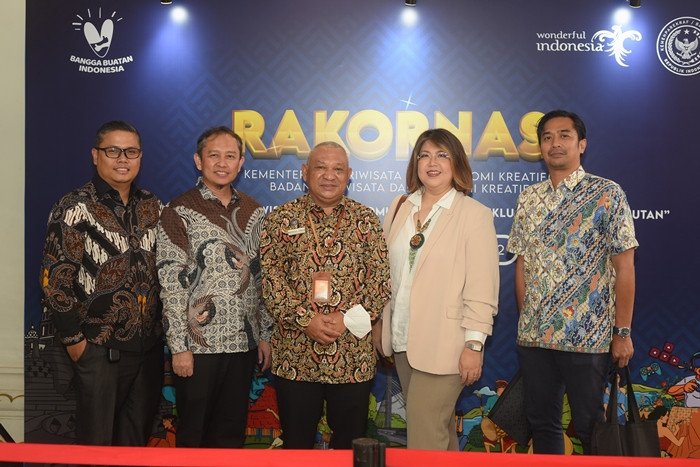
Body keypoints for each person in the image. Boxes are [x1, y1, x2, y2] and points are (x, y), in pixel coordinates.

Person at [507, 109, 638, 454]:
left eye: (564, 135)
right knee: (542, 423)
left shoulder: (607, 193)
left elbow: (625, 267)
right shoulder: (529, 197)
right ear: (540, 147)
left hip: (588, 339)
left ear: (582, 144)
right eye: (547, 137)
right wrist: (527, 319)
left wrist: (622, 332)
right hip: (535, 339)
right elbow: (522, 264)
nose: (555, 143)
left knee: (591, 427)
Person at [260, 141, 391, 449]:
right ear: (305, 172)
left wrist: (346, 319)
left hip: (352, 356)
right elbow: (271, 279)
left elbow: (380, 281)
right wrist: (306, 319)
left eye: (338, 169)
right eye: (320, 167)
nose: (329, 176)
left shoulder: (366, 220)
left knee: (350, 446)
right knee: (296, 445)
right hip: (296, 355)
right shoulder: (282, 218)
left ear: (349, 175)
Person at [40, 120, 163, 445]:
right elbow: (54, 281)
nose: (123, 159)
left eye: (131, 151)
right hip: (98, 351)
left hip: (148, 350)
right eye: (113, 151)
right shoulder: (75, 206)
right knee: (96, 447)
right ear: (96, 155)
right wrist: (76, 344)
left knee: (135, 447)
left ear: (140, 157)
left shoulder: (153, 205)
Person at [377, 128, 500, 450]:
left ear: (456, 163)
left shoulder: (474, 215)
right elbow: (386, 274)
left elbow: (482, 288)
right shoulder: (400, 206)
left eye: (442, 155)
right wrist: (380, 324)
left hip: (447, 344)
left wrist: (474, 344)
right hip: (403, 340)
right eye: (425, 155)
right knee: (438, 432)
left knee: (424, 436)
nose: (432, 163)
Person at [156, 126, 273, 447]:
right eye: (214, 155)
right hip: (198, 349)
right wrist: (179, 347)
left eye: (230, 156)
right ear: (199, 160)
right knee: (193, 435)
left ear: (241, 163)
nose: (222, 163)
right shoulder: (178, 211)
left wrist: (265, 334)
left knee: (231, 436)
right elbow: (171, 284)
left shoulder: (254, 211)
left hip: (243, 345)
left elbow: (262, 279)